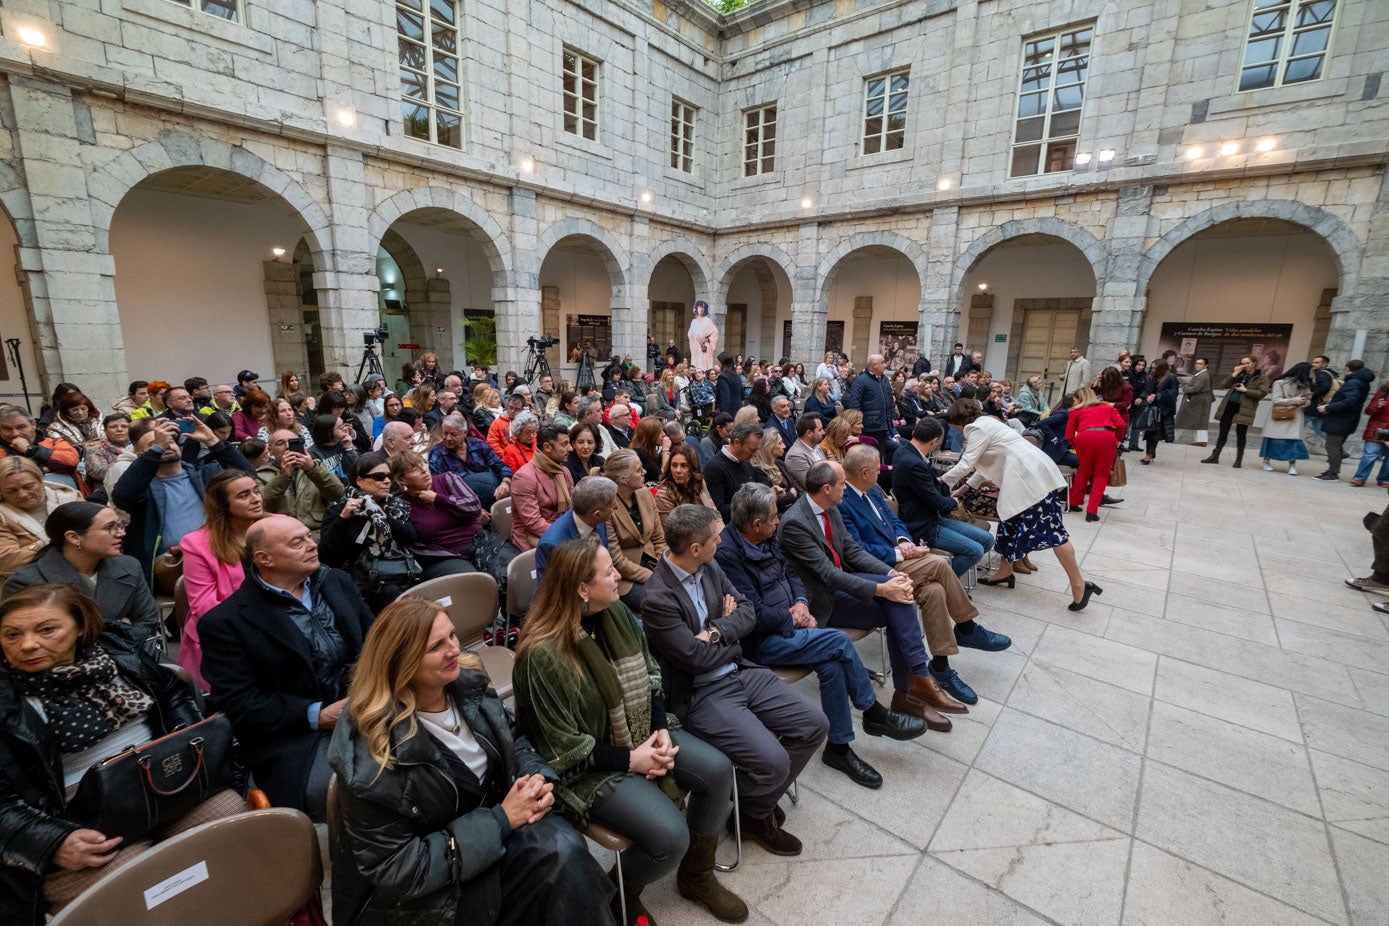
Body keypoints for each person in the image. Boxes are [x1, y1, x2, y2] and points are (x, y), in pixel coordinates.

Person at [328, 595, 613, 926]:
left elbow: (514, 740)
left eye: (451, 635)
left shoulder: (466, 684)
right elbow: (402, 870)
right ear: (399, 661)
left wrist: (536, 779)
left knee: (564, 852)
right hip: (425, 899)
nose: (453, 649)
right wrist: (502, 819)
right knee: (561, 860)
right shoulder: (371, 753)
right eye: (435, 646)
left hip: (479, 842)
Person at [514, 541, 744, 925]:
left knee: (718, 771)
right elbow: (562, 747)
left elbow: (652, 675)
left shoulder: (616, 612)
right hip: (588, 768)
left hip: (641, 734)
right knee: (671, 838)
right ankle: (618, 892)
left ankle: (696, 877)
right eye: (609, 572)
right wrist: (632, 759)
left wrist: (659, 731)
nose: (619, 574)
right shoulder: (543, 655)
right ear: (582, 589)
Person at [0, 584, 244, 924]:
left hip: (158, 784)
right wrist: (53, 841)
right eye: (11, 634)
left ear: (81, 627)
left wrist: (186, 751)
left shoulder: (116, 654)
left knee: (233, 822)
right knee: (136, 883)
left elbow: (172, 695)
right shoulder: (6, 699)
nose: (27, 645)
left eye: (47, 630)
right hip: (71, 817)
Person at [642, 504, 829, 856]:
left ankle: (752, 808)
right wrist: (730, 633)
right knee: (774, 763)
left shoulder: (709, 565)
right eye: (716, 538)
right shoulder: (658, 598)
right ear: (695, 548)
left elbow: (748, 612)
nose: (722, 541)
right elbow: (695, 662)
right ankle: (753, 809)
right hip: (702, 694)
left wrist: (715, 632)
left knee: (815, 725)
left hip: (740, 672)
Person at [714, 483, 925, 788]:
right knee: (837, 641)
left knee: (832, 665)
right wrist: (791, 618)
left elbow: (792, 573)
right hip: (762, 642)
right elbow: (752, 613)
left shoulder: (766, 536)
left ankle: (838, 749)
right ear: (756, 524)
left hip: (795, 621)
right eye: (774, 517)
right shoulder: (728, 554)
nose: (778, 521)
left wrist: (801, 603)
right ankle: (873, 712)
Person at [200, 516, 374, 818]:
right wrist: (316, 715)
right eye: (298, 542)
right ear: (263, 558)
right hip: (296, 737)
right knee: (360, 785)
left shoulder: (334, 581)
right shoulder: (226, 623)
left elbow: (375, 642)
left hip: (367, 706)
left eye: (309, 536)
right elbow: (240, 704)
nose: (312, 545)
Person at [779, 460, 962, 724]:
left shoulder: (831, 507)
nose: (847, 489)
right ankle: (913, 686)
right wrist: (881, 588)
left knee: (900, 597)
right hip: (821, 601)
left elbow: (852, 551)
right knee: (896, 600)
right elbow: (828, 575)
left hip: (843, 584)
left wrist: (891, 574)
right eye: (843, 484)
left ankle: (912, 687)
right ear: (827, 488)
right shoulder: (795, 523)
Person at [942, 402, 1100, 610]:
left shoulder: (976, 428)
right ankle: (1005, 572)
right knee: (1010, 525)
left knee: (1054, 533)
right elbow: (982, 468)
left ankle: (1079, 583)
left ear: (959, 422)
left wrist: (939, 481)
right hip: (1033, 476)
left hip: (1032, 482)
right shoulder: (988, 423)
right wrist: (961, 490)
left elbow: (966, 464)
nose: (957, 431)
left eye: (955, 426)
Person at [3, 502, 161, 642]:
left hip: (129, 663)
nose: (121, 533)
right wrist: (119, 627)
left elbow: (148, 623)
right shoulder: (27, 582)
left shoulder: (129, 566)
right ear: (73, 537)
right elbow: (27, 640)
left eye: (119, 526)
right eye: (109, 528)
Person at [175, 470, 266, 690]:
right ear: (223, 505)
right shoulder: (197, 544)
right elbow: (204, 607)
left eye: (256, 491)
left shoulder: (277, 526)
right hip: (227, 638)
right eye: (244, 495)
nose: (256, 498)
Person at [890, 418, 997, 578]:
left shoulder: (904, 451)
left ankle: (946, 579)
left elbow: (933, 482)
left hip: (931, 516)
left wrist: (944, 484)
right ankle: (943, 583)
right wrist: (953, 501)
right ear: (934, 441)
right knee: (975, 551)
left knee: (987, 539)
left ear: (914, 432)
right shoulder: (913, 463)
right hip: (922, 525)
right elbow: (937, 502)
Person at [320, 453, 428, 609]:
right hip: (361, 579)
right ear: (359, 481)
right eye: (379, 477)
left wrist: (384, 517)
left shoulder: (396, 506)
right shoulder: (339, 511)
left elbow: (410, 538)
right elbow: (327, 555)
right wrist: (343, 519)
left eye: (389, 476)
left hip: (401, 570)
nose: (386, 481)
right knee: (395, 596)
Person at [602, 450, 667, 612]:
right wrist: (653, 577)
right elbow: (616, 560)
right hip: (625, 579)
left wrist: (663, 567)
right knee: (662, 603)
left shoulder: (645, 493)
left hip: (655, 566)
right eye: (639, 470)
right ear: (623, 479)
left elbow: (659, 539)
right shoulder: (606, 506)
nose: (644, 472)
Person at [0, 456, 83, 583]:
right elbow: (6, 560)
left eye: (28, 487)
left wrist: (31, 548)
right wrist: (50, 545)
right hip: (30, 586)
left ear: (40, 480)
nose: (22, 494)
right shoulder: (2, 516)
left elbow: (96, 537)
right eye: (11, 491)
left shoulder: (70, 499)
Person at [534, 476, 617, 579]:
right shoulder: (552, 544)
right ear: (597, 514)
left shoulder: (598, 519)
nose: (615, 508)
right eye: (613, 506)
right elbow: (552, 590)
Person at [1064, 388, 1125, 520]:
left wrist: (1077, 445)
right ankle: (1091, 511)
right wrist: (1118, 440)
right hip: (1106, 437)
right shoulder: (1107, 407)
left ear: (1080, 399)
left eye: (1075, 400)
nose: (1073, 403)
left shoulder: (1075, 411)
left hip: (1084, 437)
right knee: (1101, 475)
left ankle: (1073, 502)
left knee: (1083, 472)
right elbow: (1121, 424)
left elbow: (1068, 435)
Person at [510, 424, 574, 551]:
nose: (570, 448)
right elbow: (533, 523)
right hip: (533, 538)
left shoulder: (564, 471)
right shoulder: (524, 478)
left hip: (562, 530)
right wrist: (568, 534)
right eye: (564, 444)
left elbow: (574, 507)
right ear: (547, 447)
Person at [1202, 355, 1272, 469]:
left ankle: (1238, 460)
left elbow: (1262, 393)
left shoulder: (1261, 377)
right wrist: (1234, 374)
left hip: (1245, 407)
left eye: (1248, 363)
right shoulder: (1239, 373)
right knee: (1223, 432)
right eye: (1243, 363)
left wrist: (1246, 390)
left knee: (1241, 434)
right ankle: (1215, 456)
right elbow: (1223, 385)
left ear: (1254, 363)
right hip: (1229, 405)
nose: (1245, 365)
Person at [429, 413, 513, 507]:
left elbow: (501, 466)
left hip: (493, 494)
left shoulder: (478, 444)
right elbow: (440, 487)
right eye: (445, 433)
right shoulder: (437, 453)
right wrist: (474, 509)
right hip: (461, 503)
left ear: (464, 433)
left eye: (453, 434)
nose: (448, 438)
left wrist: (505, 482)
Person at [704, 420, 778, 521]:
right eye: (752, 450)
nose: (755, 455)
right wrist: (753, 504)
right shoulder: (714, 468)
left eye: (757, 450)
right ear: (737, 442)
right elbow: (717, 509)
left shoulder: (745, 461)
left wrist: (768, 494)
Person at [1317, 359, 1377, 481]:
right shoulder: (1361, 381)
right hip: (1348, 419)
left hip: (1340, 419)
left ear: (1348, 369)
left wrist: (1328, 407)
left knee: (1333, 446)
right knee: (1336, 445)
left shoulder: (1353, 382)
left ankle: (1333, 473)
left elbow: (1350, 400)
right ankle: (1332, 471)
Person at [0, 407, 82, 486]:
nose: (15, 433)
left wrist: (30, 449)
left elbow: (71, 462)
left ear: (33, 424)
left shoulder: (53, 441)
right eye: (7, 429)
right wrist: (44, 469)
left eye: (21, 427)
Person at [1260, 363, 1313, 476]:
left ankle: (1292, 465)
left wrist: (1305, 403)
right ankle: (1266, 461)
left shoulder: (1305, 384)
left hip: (1296, 416)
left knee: (1293, 441)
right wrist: (1297, 400)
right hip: (1280, 414)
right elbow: (1276, 400)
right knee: (1273, 439)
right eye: (1309, 371)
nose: (1311, 374)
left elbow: (1308, 399)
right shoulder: (1279, 383)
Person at [843, 354, 897, 460]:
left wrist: (891, 418)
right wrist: (858, 423)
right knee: (869, 456)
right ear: (874, 365)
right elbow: (855, 403)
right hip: (869, 425)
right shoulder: (861, 380)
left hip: (884, 424)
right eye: (882, 362)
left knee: (881, 455)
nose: (885, 365)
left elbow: (889, 399)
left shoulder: (884, 379)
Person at [654, 443, 720, 530]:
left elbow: (714, 512)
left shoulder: (699, 482)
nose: (678, 470)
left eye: (684, 466)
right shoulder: (664, 494)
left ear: (693, 467)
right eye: (674, 465)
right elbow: (675, 531)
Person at [1137, 360, 1179, 464]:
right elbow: (1146, 390)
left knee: (1155, 433)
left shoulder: (1171, 378)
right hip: (1151, 409)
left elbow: (1173, 393)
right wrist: (1145, 397)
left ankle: (1149, 454)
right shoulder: (1151, 377)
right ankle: (1150, 453)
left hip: (1163, 410)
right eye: (1152, 368)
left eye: (1155, 368)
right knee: (1149, 432)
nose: (1152, 370)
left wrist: (1157, 396)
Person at [1351, 380, 1389, 487]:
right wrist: (1378, 406)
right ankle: (1360, 477)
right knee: (1370, 455)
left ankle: (1385, 479)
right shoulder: (1383, 393)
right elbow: (1368, 411)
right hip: (1378, 429)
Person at [1175, 356, 1213, 445]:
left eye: (1200, 364)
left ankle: (1172, 437)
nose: (1197, 365)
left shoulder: (1202, 376)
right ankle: (1201, 440)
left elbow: (1194, 388)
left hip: (1196, 401)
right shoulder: (1204, 374)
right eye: (1196, 363)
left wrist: (1185, 387)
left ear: (1206, 365)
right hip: (1199, 401)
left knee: (1182, 420)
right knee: (1199, 422)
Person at [629, 416, 668, 484]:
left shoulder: (649, 449)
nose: (664, 434)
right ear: (650, 435)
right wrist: (666, 451)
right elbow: (662, 476)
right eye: (659, 432)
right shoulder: (639, 452)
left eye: (663, 431)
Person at [687, 300, 719, 371]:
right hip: (696, 347)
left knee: (704, 366)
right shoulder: (693, 322)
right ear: (696, 308)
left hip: (705, 348)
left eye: (703, 308)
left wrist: (707, 339)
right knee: (696, 365)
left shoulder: (707, 321)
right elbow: (690, 334)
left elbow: (715, 332)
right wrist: (696, 338)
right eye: (699, 307)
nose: (701, 309)